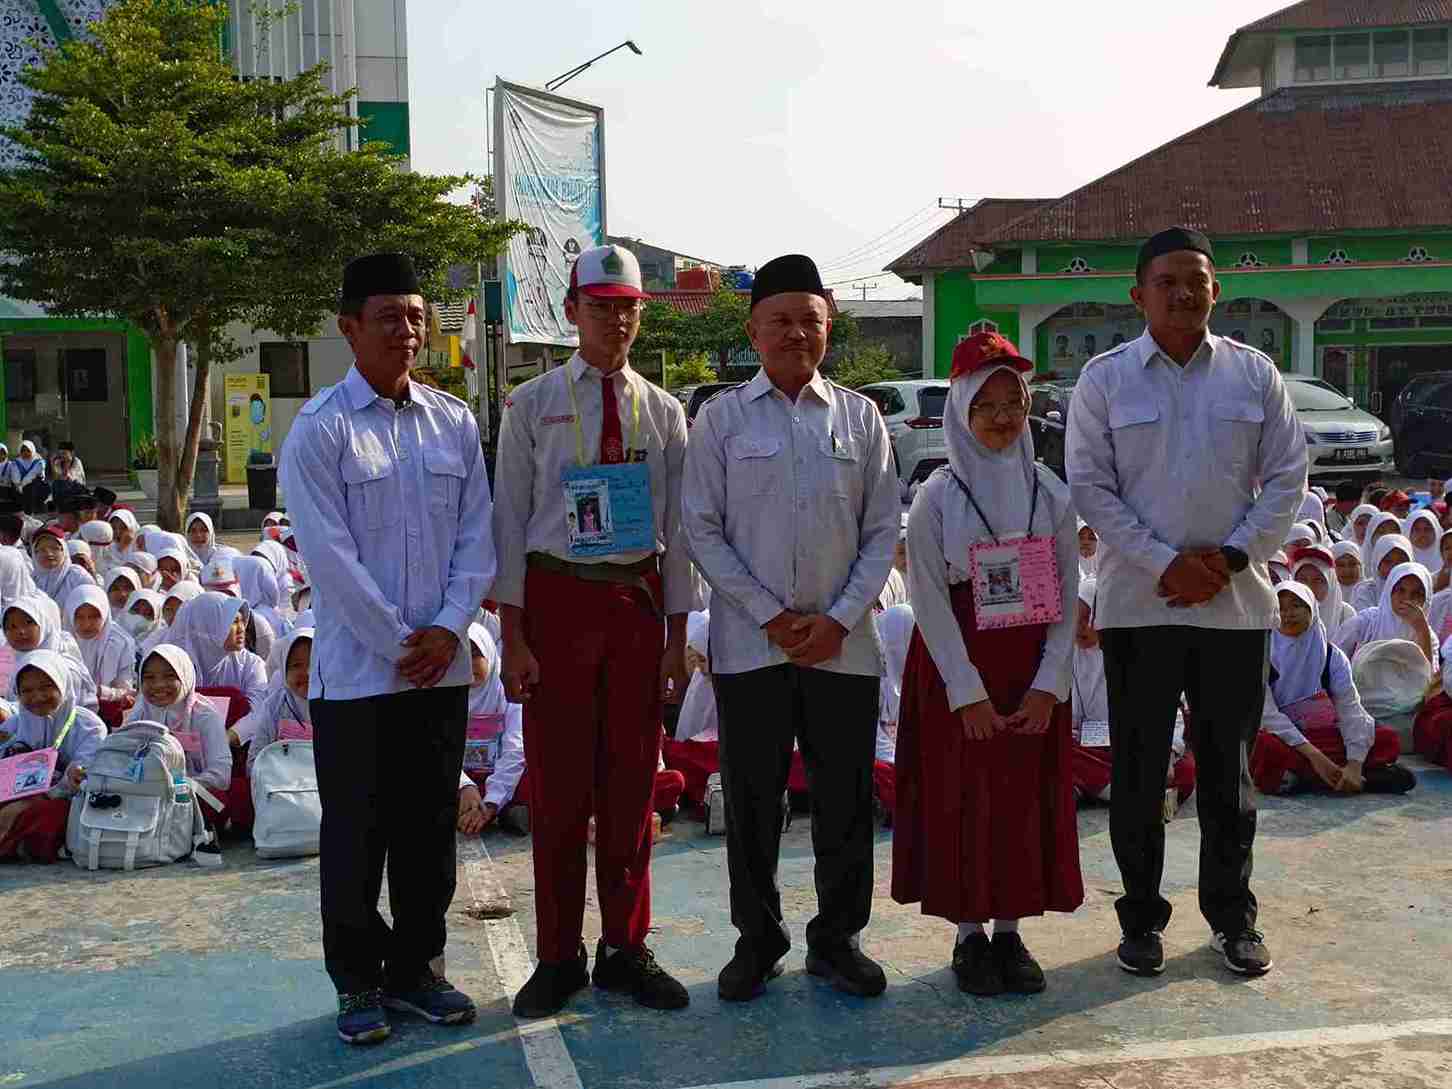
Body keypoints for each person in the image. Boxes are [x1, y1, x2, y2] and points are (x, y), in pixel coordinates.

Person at [1064, 227, 1306, 979]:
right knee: (1138, 773)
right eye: (1165, 280)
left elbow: (1289, 476)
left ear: (1215, 290)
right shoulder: (1104, 381)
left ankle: (1233, 918)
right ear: (1138, 295)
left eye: (1194, 280)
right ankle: (1140, 920)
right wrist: (1168, 563)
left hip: (1233, 607)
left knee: (1227, 770)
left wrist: (1229, 558)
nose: (1181, 292)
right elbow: (1089, 487)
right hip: (1139, 606)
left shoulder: (1253, 374)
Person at [279, 252, 495, 1044]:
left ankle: (418, 970)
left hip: (439, 675)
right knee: (356, 837)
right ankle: (357, 983)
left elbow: (478, 535)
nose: (407, 331)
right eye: (387, 317)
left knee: (428, 832)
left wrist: (450, 626)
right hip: (361, 679)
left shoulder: (455, 421)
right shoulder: (320, 429)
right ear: (348, 328)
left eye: (416, 316)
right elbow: (328, 558)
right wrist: (404, 642)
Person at [682, 253, 898, 1003]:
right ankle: (758, 939)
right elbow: (702, 530)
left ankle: (838, 940)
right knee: (752, 800)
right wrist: (771, 614)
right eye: (780, 320)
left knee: (843, 798)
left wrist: (838, 619)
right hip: (751, 646)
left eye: (810, 320)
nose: (796, 334)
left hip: (843, 649)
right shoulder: (720, 419)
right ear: (754, 329)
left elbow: (881, 532)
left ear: (828, 326)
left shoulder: (861, 417)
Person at [493, 243, 692, 1018]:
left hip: (635, 606)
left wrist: (677, 638)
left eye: (628, 306)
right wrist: (513, 635)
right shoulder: (530, 405)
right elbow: (510, 524)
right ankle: (556, 953)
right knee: (559, 792)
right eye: (600, 305)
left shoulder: (666, 412)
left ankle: (624, 945)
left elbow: (678, 533)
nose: (615, 319)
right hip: (557, 601)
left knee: (631, 784)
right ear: (570, 311)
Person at [892, 332, 1081, 997]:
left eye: (1014, 403)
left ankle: (1010, 929)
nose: (1002, 418)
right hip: (959, 667)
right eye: (987, 404)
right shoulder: (937, 497)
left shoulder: (1052, 495)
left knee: (1020, 797)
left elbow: (1065, 597)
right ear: (961, 413)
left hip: (1028, 665)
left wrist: (1049, 685)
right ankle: (969, 934)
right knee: (962, 795)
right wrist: (965, 691)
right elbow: (929, 600)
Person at [1251, 583, 1413, 796]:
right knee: (1263, 746)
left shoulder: (1331, 656)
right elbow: (1268, 717)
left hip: (1326, 733)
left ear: (1312, 609)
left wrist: (1354, 762)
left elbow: (1350, 709)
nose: (1288, 614)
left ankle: (1318, 777)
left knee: (1385, 737)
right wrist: (1316, 758)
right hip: (1288, 738)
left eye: (1296, 605)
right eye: (1280, 608)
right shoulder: (1260, 655)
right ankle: (1361, 779)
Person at [1070, 577, 1196, 810]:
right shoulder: (1066, 656)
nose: (1080, 627)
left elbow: (1169, 709)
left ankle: (1093, 787)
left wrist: (1167, 753)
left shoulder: (1134, 652)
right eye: (1076, 618)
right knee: (1065, 753)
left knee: (1185, 770)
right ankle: (1128, 793)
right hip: (1088, 748)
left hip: (1131, 745)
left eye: (1087, 618)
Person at [0, 650, 107, 862]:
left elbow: (79, 778)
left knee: (52, 815)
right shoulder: (14, 726)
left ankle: (16, 844)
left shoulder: (88, 726)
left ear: (63, 684)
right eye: (27, 691)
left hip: (63, 799)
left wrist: (29, 801)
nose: (37, 697)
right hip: (16, 798)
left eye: (47, 687)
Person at [236, 628, 314, 776]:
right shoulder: (275, 705)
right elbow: (255, 759)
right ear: (284, 670)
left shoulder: (335, 704)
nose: (307, 672)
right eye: (297, 665)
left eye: (314, 663)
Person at [1336, 562, 1439, 669]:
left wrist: (1421, 630)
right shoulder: (1366, 622)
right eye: (1400, 590)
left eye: (1417, 594)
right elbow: (1335, 661)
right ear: (1389, 591)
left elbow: (1431, 678)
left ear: (1426, 600)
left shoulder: (1428, 636)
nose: (1407, 598)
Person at [64, 584, 136, 716]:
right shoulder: (62, 642)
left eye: (94, 617)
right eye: (79, 617)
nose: (86, 624)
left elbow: (126, 691)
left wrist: (99, 691)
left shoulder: (120, 643)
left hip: (107, 715)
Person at [1291, 548, 1355, 636]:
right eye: (1302, 579)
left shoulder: (1346, 615)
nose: (1309, 587)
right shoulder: (1285, 615)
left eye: (1318, 580)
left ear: (1331, 584)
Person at [32, 526, 94, 606]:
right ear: (34, 553)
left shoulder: (78, 576)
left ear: (63, 550)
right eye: (42, 550)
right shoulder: (33, 579)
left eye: (55, 548)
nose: (49, 554)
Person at [1350, 534, 1414, 612]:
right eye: (1387, 561)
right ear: (1377, 563)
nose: (1394, 567)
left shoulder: (1418, 591)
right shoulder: (1365, 591)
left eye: (1401, 561)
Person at [6, 442, 47, 514]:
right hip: (20, 487)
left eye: (28, 451)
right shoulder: (16, 462)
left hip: (35, 487)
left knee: (31, 486)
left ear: (32, 450)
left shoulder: (39, 462)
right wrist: (18, 485)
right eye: (23, 451)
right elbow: (15, 476)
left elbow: (32, 475)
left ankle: (31, 511)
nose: (25, 453)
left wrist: (21, 485)